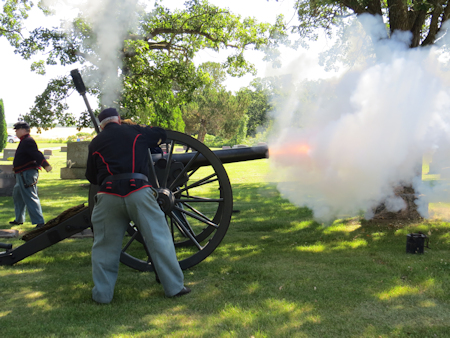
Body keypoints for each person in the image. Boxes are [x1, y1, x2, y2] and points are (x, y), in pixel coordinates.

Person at [85, 107, 190, 303]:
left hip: (108, 195)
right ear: (118, 119)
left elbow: (91, 177)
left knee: (104, 248)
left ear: (101, 125)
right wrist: (138, 126)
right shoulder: (135, 132)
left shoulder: (95, 143)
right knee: (160, 240)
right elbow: (160, 134)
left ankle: (102, 295)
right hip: (138, 192)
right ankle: (174, 288)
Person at [9, 121, 52, 228]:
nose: (16, 132)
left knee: (30, 196)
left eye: (17, 129)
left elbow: (36, 153)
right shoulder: (24, 141)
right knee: (17, 195)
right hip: (21, 174)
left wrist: (45, 165)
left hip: (26, 174)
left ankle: (40, 222)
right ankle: (19, 219)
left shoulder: (28, 141)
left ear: (23, 130)